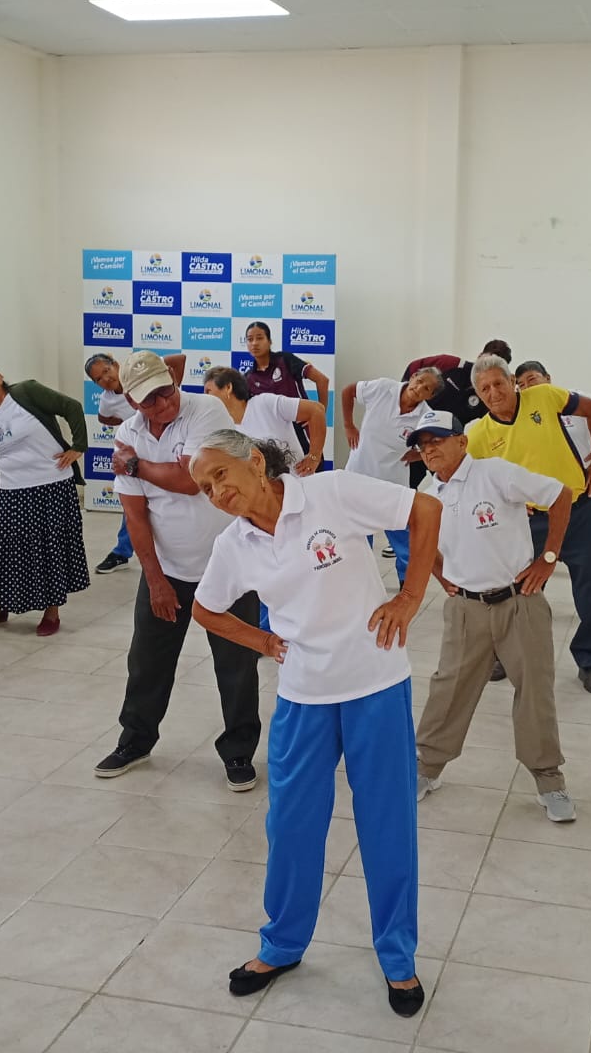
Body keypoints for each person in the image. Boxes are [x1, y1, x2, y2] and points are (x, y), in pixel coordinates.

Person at [188, 429, 441, 1017]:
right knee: (291, 826)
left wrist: (409, 597)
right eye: (204, 487)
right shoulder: (235, 543)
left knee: (387, 825)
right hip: (303, 696)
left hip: (375, 684)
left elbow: (425, 509)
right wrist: (262, 641)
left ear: (255, 461)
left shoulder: (331, 493)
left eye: (220, 475)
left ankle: (397, 957)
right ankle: (281, 944)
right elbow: (206, 607)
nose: (216, 492)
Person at [92, 352, 264, 791]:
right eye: (149, 400)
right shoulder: (128, 434)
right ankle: (135, 741)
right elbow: (135, 515)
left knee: (237, 666)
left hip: (227, 569)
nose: (163, 403)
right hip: (167, 570)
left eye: (166, 391)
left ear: (173, 380)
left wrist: (136, 465)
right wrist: (155, 580)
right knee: (147, 663)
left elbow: (191, 480)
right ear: (132, 401)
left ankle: (239, 751)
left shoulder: (206, 410)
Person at [410, 409, 576, 822]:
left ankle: (549, 781)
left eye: (437, 440)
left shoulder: (495, 473)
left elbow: (560, 494)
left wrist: (548, 558)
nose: (429, 449)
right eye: (423, 444)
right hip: (466, 609)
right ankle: (426, 767)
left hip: (519, 602)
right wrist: (441, 575)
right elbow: (418, 538)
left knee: (535, 691)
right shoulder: (428, 493)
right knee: (449, 688)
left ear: (461, 442)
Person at [467, 353, 591, 694]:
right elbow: (476, 483)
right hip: (529, 523)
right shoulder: (480, 437)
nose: (493, 392)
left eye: (499, 383)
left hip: (579, 511)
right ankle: (505, 653)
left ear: (512, 382)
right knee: (517, 593)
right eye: (485, 388)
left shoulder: (544, 397)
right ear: (478, 394)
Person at [0, 362, 90, 637]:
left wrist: (78, 446)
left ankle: (52, 612)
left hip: (52, 485)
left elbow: (71, 407)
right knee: (6, 553)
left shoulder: (26, 393)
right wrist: (2, 478)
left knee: (50, 549)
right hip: (13, 492)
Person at [514, 359, 591, 625]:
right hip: (543, 498)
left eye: (532, 380)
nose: (527, 387)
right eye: (521, 384)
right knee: (536, 556)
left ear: (548, 378)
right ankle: (531, 609)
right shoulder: (521, 411)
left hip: (586, 489)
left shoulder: (567, 399)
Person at [84, 352, 186, 575]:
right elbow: (103, 418)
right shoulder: (107, 400)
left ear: (115, 364)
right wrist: (128, 423)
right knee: (133, 505)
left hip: (170, 445)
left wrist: (170, 388)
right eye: (98, 379)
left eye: (106, 371)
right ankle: (122, 553)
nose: (106, 379)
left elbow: (179, 360)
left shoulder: (140, 373)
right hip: (139, 454)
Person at [340, 366, 442, 583]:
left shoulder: (425, 416)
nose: (419, 388)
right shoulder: (384, 388)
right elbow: (348, 391)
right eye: (419, 381)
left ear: (430, 396)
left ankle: (407, 583)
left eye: (426, 389)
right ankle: (361, 581)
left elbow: (436, 444)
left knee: (403, 539)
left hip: (393, 483)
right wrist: (349, 425)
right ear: (413, 377)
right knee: (358, 536)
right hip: (358, 475)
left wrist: (418, 455)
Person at [400, 339, 511, 489]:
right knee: (403, 485)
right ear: (479, 356)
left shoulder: (488, 395)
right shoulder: (452, 364)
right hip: (415, 436)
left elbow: (497, 422)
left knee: (449, 489)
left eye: (493, 365)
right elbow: (414, 367)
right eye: (485, 361)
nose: (485, 368)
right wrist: (406, 402)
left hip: (442, 447)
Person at [204, 365, 326, 474]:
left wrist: (314, 457)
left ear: (228, 387)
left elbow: (316, 410)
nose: (205, 397)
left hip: (297, 484)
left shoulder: (264, 403)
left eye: (208, 391)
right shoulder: (224, 428)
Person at [243, 322, 329, 455]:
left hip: (302, 432)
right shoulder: (248, 378)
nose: (254, 343)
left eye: (259, 338)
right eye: (250, 339)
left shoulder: (285, 360)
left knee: (312, 466)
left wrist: (319, 416)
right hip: (274, 441)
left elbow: (322, 380)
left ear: (269, 341)